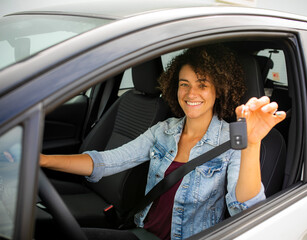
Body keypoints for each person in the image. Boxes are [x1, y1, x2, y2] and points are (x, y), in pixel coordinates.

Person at [40, 44, 286, 240]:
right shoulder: (164, 131)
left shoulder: (233, 140)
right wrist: (40, 160)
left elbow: (245, 210)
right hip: (142, 233)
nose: (191, 94)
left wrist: (252, 144)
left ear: (218, 90)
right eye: (184, 84)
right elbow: (107, 161)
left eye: (202, 85)